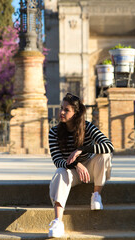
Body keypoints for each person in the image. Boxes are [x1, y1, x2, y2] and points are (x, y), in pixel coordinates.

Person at [48, 93, 114, 238]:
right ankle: (58, 221)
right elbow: (57, 160)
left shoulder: (87, 127)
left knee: (105, 155)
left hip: (90, 170)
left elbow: (109, 146)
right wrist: (76, 164)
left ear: (76, 113)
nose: (62, 112)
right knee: (59, 172)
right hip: (71, 172)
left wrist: (81, 150)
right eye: (61, 108)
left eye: (67, 110)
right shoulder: (54, 132)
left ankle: (96, 195)